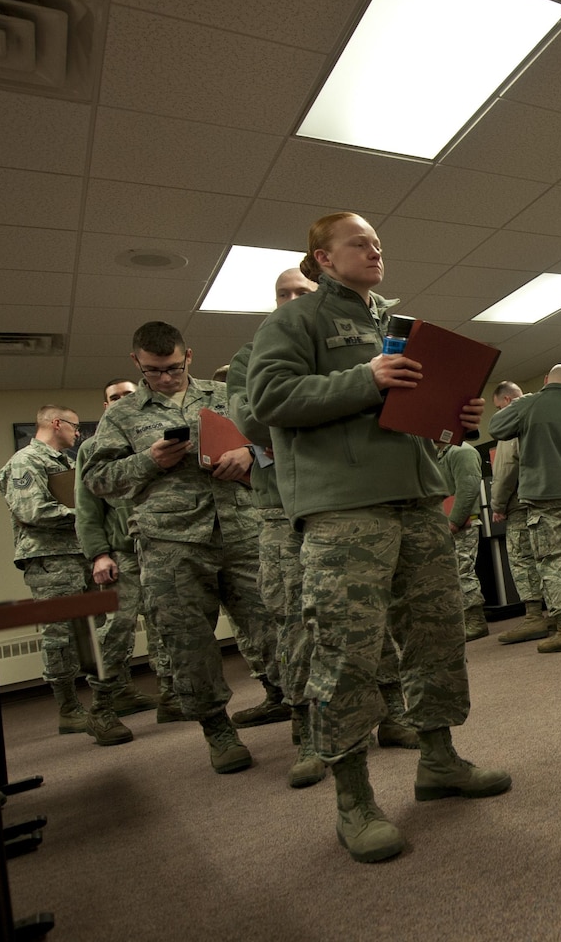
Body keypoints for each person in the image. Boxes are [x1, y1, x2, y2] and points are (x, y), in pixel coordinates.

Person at [248, 211, 507, 864]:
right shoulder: (292, 322)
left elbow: (414, 412)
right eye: (358, 242)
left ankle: (440, 760)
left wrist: (458, 414)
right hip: (343, 508)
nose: (374, 249)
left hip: (416, 496)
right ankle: (354, 798)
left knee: (436, 631)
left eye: (378, 242)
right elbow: (268, 402)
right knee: (348, 650)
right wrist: (365, 378)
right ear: (322, 259)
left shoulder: (398, 325)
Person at [83, 322, 280, 773]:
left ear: (188, 356)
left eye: (173, 367)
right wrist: (147, 461)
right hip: (170, 543)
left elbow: (277, 442)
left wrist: (252, 454)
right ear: (137, 364)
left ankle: (296, 710)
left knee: (274, 622)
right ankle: (218, 730)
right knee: (188, 642)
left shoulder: (225, 394)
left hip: (243, 531)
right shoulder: (121, 415)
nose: (166, 378)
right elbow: (96, 479)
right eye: (154, 371)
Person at [226, 266, 330, 790]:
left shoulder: (338, 343)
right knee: (293, 622)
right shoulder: (252, 356)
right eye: (282, 293)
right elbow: (253, 419)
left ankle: (392, 714)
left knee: (366, 612)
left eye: (301, 293)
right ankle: (307, 732)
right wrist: (338, 406)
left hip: (342, 501)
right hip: (281, 511)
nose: (291, 299)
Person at [0, 405, 133, 746]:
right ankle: (69, 709)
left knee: (98, 631)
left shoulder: (67, 464)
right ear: (56, 424)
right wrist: (83, 512)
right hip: (50, 559)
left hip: (81, 555)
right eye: (74, 427)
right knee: (60, 635)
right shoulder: (25, 461)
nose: (78, 434)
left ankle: (112, 697)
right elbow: (33, 510)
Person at [487, 365, 561, 652]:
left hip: (543, 499)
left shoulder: (528, 404)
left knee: (550, 562)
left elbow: (495, 428)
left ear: (544, 381)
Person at [74, 379, 169, 721]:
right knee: (116, 631)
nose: (123, 400)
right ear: (105, 405)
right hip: (122, 554)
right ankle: (102, 709)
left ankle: (171, 696)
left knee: (166, 627)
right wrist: (99, 554)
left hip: (161, 548)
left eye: (130, 395)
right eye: (115, 397)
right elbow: (87, 509)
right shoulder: (93, 448)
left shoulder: (155, 439)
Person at [489, 381, 548, 645]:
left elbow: (505, 468)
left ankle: (535, 618)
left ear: (508, 400)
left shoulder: (512, 422)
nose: (499, 412)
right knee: (548, 558)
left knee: (522, 559)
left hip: (520, 505)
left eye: (499, 406)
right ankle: (558, 612)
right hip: (546, 500)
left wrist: (498, 504)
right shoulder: (542, 415)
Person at [437, 441, 489, 641]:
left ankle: (475, 620)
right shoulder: (439, 454)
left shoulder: (462, 451)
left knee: (463, 571)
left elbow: (468, 488)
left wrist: (454, 521)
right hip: (444, 523)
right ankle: (461, 621)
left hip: (461, 524)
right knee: (450, 575)